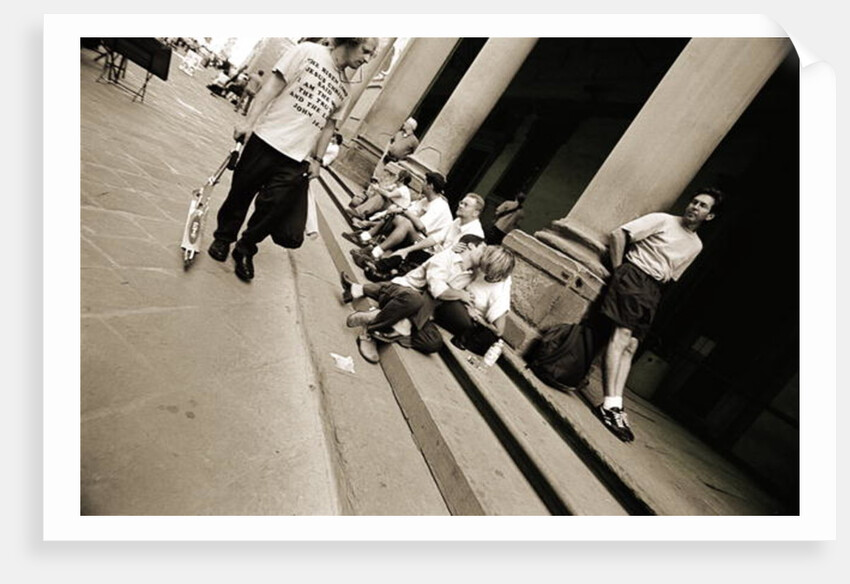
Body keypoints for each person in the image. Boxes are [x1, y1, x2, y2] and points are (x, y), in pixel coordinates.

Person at [206, 38, 378, 282]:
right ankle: (223, 238)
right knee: (240, 193)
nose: (367, 59)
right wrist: (248, 122)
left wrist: (317, 159)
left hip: (297, 158)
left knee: (272, 209)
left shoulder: (346, 89)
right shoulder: (307, 51)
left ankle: (246, 248)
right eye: (366, 51)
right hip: (266, 139)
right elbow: (271, 87)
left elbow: (328, 126)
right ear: (352, 39)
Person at [595, 188, 723, 442]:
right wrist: (620, 271)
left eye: (702, 206)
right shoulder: (663, 220)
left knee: (631, 345)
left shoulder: (696, 245)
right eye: (694, 201)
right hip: (634, 276)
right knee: (621, 337)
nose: (694, 207)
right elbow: (620, 234)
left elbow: (673, 275)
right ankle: (609, 404)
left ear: (709, 217)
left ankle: (616, 404)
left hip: (653, 290)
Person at [340, 235, 487, 363]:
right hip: (403, 294)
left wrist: (470, 307)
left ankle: (387, 319)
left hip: (419, 312)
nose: (484, 255)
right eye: (483, 250)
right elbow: (438, 291)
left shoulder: (472, 275)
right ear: (472, 246)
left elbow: (495, 275)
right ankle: (371, 333)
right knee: (416, 298)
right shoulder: (446, 257)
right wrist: (460, 294)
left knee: (433, 342)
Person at [348, 170, 452, 266]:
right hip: (416, 235)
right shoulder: (425, 200)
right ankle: (366, 238)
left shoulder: (440, 206)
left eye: (424, 182)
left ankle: (375, 252)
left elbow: (421, 226)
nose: (422, 184)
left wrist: (403, 211)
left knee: (405, 222)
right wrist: (399, 211)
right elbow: (409, 212)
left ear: (430, 186)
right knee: (397, 216)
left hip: (428, 246)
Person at [344, 169, 413, 222]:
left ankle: (360, 212)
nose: (396, 176)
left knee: (380, 197)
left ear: (402, 179)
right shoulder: (396, 186)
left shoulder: (403, 190)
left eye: (398, 175)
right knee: (378, 194)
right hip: (390, 205)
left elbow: (389, 195)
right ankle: (362, 210)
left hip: (395, 210)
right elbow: (384, 190)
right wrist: (377, 186)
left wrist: (377, 188)